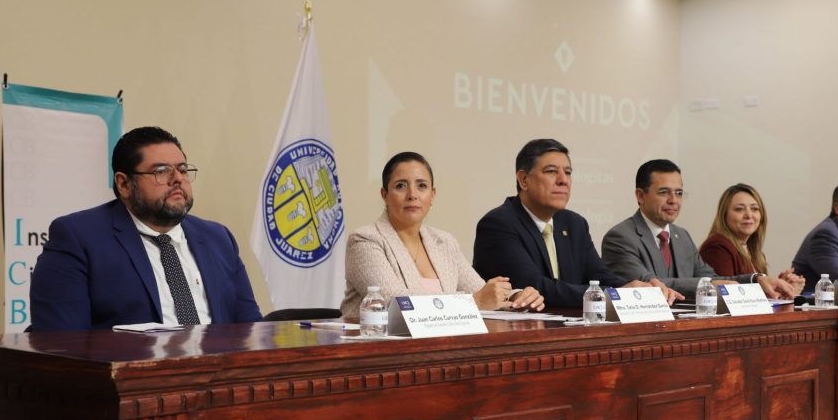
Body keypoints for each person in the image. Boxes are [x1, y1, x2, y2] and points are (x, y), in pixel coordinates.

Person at [30, 126, 261, 331]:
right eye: (161, 171)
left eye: (182, 169)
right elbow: (63, 343)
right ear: (124, 184)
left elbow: (250, 328)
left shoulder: (218, 238)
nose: (177, 179)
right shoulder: (78, 238)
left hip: (218, 365)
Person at [472, 139, 679, 308]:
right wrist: (613, 294)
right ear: (524, 180)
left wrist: (639, 288)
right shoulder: (499, 224)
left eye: (568, 172)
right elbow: (536, 286)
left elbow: (599, 276)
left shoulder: (574, 223)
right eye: (551, 171)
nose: (563, 180)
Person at [340, 152, 544, 319]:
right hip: (379, 350)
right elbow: (392, 302)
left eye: (422, 186)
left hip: (440, 346)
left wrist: (517, 297)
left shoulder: (444, 242)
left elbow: (481, 291)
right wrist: (473, 302)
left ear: (432, 195)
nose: (412, 194)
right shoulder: (365, 240)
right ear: (384, 195)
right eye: (401, 186)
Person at [601, 161, 796, 299]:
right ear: (640, 196)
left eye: (679, 193)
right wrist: (707, 285)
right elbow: (651, 285)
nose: (673, 200)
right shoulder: (620, 237)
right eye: (664, 192)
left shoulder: (682, 236)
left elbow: (713, 279)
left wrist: (756, 279)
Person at [699, 183, 805, 295]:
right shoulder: (717, 247)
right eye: (739, 209)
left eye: (754, 209)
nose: (749, 215)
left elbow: (758, 294)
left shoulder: (756, 253)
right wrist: (773, 293)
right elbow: (729, 295)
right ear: (724, 215)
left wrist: (782, 287)